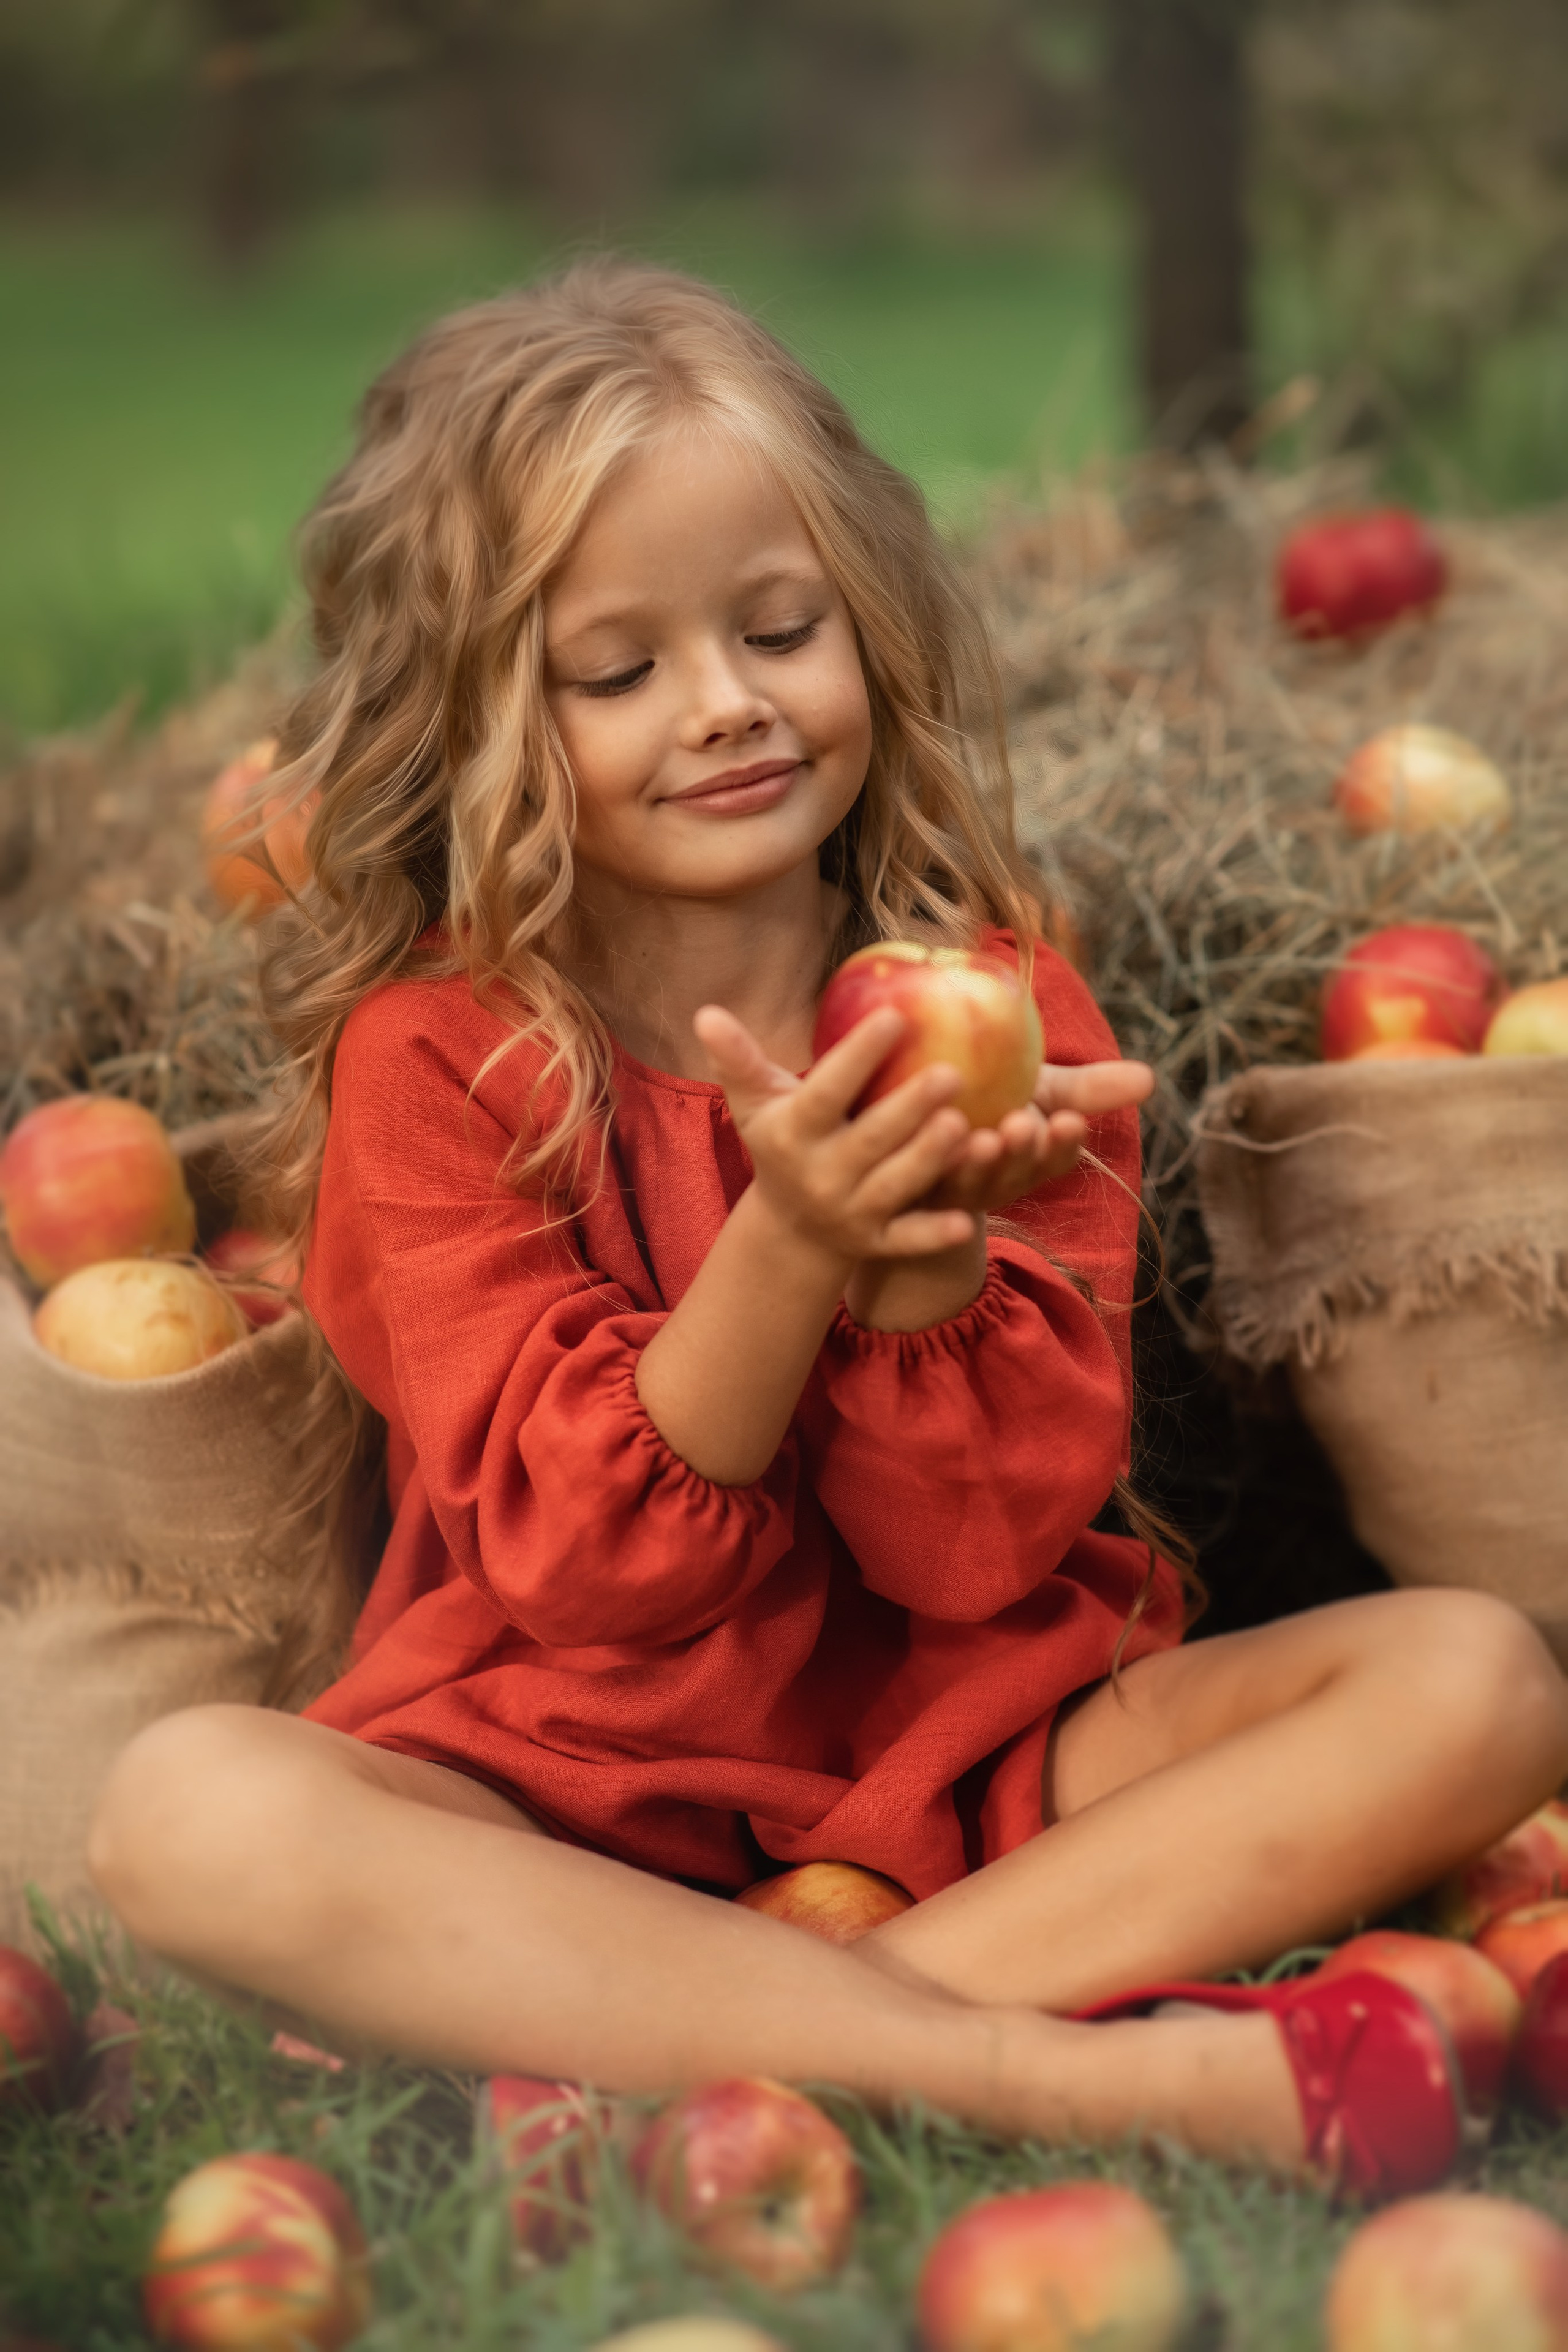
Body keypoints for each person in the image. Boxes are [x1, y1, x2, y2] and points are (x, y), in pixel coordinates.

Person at [91, 261, 1568, 2189]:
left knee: (1478, 1678)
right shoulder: (435, 1058)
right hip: (564, 1788)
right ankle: (1065, 2085)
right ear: (469, 726)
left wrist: (920, 1265)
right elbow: (594, 1580)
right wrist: (786, 1247)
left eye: (778, 630)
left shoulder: (994, 1001)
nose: (724, 710)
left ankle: (686, 2051)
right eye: (616, 672)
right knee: (186, 1814)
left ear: (862, 620)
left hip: (980, 1753)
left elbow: (980, 1556)